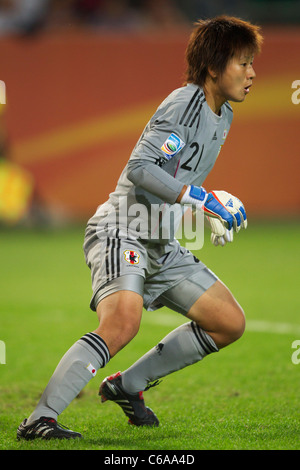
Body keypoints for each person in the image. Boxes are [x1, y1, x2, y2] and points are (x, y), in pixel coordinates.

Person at [17, 15, 263, 440]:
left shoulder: (221, 116)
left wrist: (202, 207)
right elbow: (141, 169)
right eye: (242, 63)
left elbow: (176, 174)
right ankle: (41, 419)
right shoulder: (184, 104)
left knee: (228, 322)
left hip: (159, 240)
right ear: (212, 67)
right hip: (122, 228)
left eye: (251, 63)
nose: (252, 73)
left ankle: (127, 385)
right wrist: (201, 198)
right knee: (121, 323)